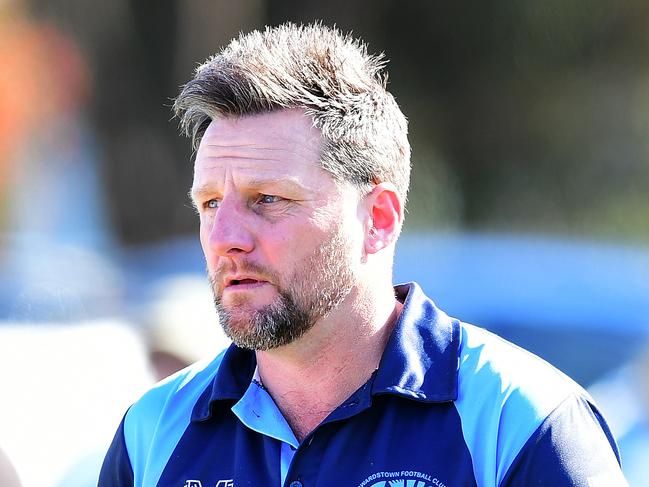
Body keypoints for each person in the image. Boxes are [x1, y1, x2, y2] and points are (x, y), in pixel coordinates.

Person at [99, 23, 628, 487]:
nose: (225, 236)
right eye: (211, 203)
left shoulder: (522, 425)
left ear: (378, 218)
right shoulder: (152, 435)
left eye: (269, 200)